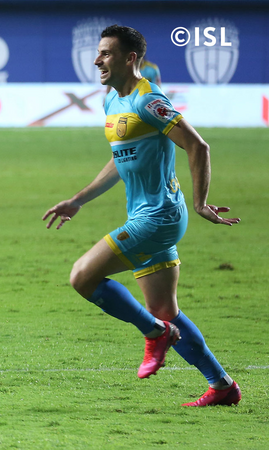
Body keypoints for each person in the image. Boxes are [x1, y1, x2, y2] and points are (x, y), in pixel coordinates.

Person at [43, 25, 241, 407]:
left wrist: (201, 202)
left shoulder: (148, 100)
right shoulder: (111, 101)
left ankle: (155, 333)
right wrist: (79, 200)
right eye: (98, 52)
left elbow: (198, 146)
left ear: (130, 58)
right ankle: (222, 386)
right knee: (166, 311)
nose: (97, 60)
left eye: (106, 53)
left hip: (158, 217)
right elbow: (120, 160)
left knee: (82, 277)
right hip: (146, 215)